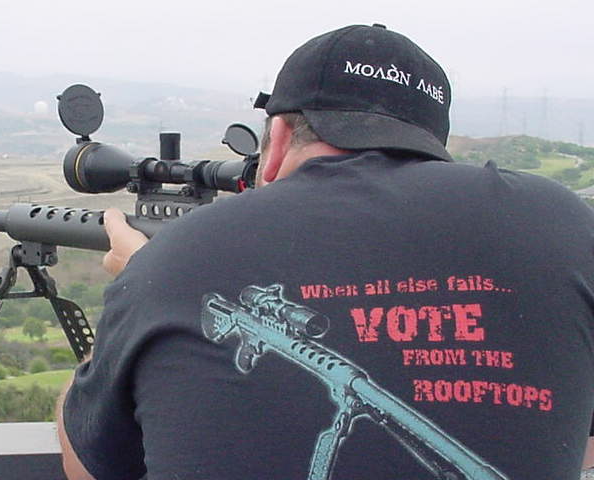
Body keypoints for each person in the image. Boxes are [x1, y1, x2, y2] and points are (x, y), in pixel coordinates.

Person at [57, 24, 594, 480]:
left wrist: (141, 277)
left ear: (279, 139)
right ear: (432, 142)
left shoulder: (172, 258)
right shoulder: (565, 223)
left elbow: (92, 464)